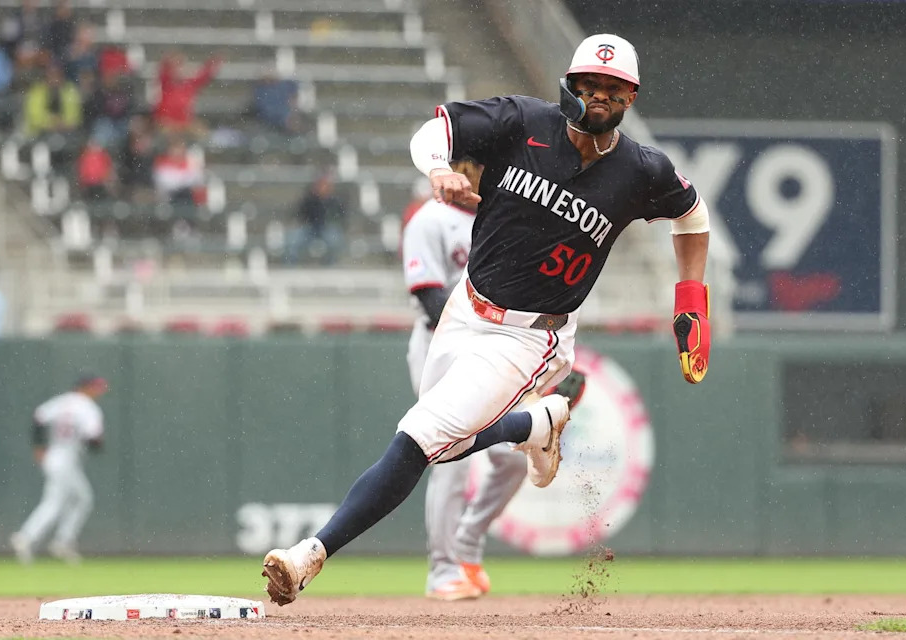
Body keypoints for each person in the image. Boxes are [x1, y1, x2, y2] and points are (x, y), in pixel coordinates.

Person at [261, 33, 712, 606]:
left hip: (530, 335)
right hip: (465, 307)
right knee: (444, 446)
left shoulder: (642, 169)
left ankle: (310, 556)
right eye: (589, 85)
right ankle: (536, 425)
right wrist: (434, 169)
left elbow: (692, 216)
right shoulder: (520, 119)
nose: (599, 96)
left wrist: (691, 296)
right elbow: (436, 132)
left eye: (613, 88)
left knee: (418, 439)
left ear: (631, 96)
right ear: (568, 85)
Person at [403, 158, 587, 600]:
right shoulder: (430, 219)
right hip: (440, 346)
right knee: (448, 454)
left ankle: (465, 543)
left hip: (503, 348)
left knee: (508, 459)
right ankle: (443, 571)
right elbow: (430, 297)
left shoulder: (510, 212)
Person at [10, 372, 108, 564]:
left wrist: (39, 447)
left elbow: (38, 418)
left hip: (54, 455)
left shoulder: (61, 402)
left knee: (82, 499)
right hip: (66, 457)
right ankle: (26, 537)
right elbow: (93, 439)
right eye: (95, 386)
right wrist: (98, 443)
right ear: (84, 386)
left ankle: (62, 541)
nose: (99, 391)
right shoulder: (88, 408)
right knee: (55, 502)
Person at [152, 51, 221, 138]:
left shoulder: (189, 84)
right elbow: (163, 69)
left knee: (203, 134)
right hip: (168, 123)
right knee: (166, 133)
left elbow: (204, 76)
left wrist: (214, 61)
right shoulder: (167, 83)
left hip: (185, 124)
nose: (180, 70)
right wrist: (169, 60)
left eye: (181, 67)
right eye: (176, 67)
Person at [285, 170, 346, 265]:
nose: (323, 187)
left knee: (334, 240)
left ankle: (331, 264)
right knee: (292, 240)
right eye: (320, 185)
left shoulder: (334, 200)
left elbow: (340, 216)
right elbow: (300, 214)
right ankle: (291, 265)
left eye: (325, 185)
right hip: (309, 228)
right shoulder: (309, 198)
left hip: (326, 228)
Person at [22, 62, 81, 139]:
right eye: (52, 75)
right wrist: (51, 122)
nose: (55, 79)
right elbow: (34, 116)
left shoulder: (69, 90)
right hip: (40, 134)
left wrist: (63, 123)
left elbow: (74, 115)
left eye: (57, 75)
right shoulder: (37, 91)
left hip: (66, 133)